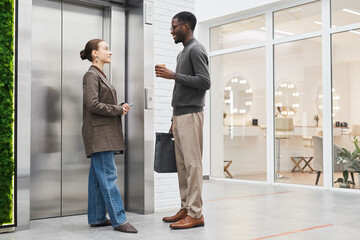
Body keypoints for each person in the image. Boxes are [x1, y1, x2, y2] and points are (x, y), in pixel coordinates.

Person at [155, 11, 211, 229]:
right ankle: (186, 207)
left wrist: (173, 75)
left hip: (191, 114)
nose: (171, 31)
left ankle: (196, 213)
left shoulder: (196, 49)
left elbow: (205, 82)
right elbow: (181, 89)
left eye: (174, 27)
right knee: (183, 165)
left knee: (193, 164)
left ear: (186, 27)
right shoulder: (183, 53)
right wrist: (172, 118)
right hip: (179, 115)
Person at [80, 39, 137, 233]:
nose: (110, 52)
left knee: (97, 178)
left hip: (103, 133)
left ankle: (96, 218)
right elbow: (93, 104)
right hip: (99, 134)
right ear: (95, 54)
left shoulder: (100, 75)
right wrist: (117, 110)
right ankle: (119, 220)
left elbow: (100, 102)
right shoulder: (91, 75)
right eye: (105, 48)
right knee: (109, 176)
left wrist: (120, 107)